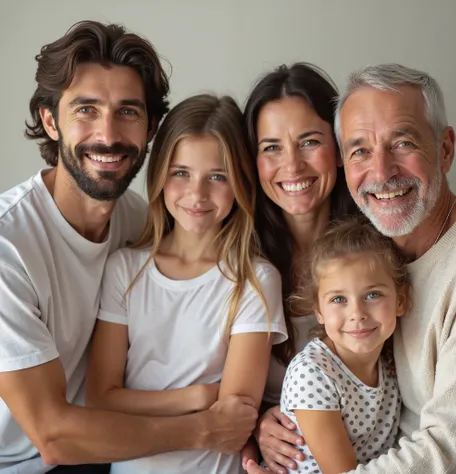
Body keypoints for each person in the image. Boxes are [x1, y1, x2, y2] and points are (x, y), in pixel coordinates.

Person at [0, 21, 257, 474]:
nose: (109, 134)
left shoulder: (140, 221)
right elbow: (53, 437)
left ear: (152, 128)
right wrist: (205, 428)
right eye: (86, 109)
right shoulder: (9, 245)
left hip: (107, 448)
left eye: (128, 112)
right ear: (50, 121)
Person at [86, 93, 288, 474]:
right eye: (181, 173)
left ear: (240, 183)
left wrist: (138, 403)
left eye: (217, 177)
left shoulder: (254, 281)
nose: (197, 194)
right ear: (160, 174)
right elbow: (99, 398)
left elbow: (234, 420)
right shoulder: (125, 270)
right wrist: (197, 396)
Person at [332, 63, 456, 473]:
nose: (380, 172)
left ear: (445, 149)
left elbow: (446, 453)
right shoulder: (368, 255)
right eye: (360, 150)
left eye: (403, 143)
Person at [242, 63, 358, 473]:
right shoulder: (239, 261)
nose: (291, 166)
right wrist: (257, 427)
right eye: (271, 147)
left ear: (340, 148)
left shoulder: (378, 251)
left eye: (309, 141)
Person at [279, 217, 408, 473]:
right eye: (339, 299)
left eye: (372, 295)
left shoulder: (392, 360)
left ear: (401, 301)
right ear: (318, 311)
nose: (356, 313)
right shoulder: (312, 373)